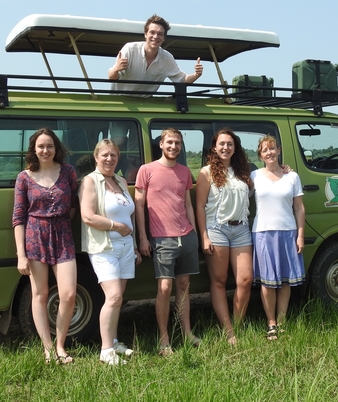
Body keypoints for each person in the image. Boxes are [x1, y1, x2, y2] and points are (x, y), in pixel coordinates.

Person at [13, 128, 78, 365]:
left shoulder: (68, 172)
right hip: (34, 236)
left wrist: (58, 223)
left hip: (63, 235)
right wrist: (21, 254)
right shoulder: (24, 177)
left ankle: (61, 345)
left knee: (69, 294)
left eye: (49, 146)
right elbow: (18, 217)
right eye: (40, 146)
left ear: (56, 148)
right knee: (39, 294)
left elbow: (72, 205)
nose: (45, 150)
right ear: (34, 149)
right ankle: (48, 349)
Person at [134, 128, 201, 355]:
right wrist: (143, 237)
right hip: (161, 238)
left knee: (184, 286)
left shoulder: (184, 172)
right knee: (164, 288)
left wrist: (195, 234)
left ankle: (187, 333)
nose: (174, 147)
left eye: (178, 143)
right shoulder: (147, 170)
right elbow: (139, 206)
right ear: (161, 144)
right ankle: (164, 340)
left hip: (186, 236)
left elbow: (188, 205)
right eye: (170, 142)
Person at [79, 139, 141, 366]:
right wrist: (117, 227)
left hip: (125, 248)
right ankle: (106, 351)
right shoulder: (90, 181)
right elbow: (88, 216)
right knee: (113, 296)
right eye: (104, 155)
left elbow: (129, 214)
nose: (109, 159)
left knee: (117, 299)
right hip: (105, 248)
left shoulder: (121, 181)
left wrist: (133, 243)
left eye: (113, 155)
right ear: (96, 157)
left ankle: (114, 341)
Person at [196, 128, 253, 345]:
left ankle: (238, 324)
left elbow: (269, 176)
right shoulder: (206, 172)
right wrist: (204, 236)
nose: (225, 147)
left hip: (241, 230)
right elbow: (199, 207)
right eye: (221, 144)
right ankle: (229, 331)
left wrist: (285, 169)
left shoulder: (244, 172)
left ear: (235, 147)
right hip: (217, 229)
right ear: (214, 147)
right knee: (219, 281)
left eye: (229, 144)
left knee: (245, 280)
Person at [251, 135, 305, 341]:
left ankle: (282, 322)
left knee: (285, 281)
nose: (269, 152)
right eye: (265, 150)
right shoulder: (254, 175)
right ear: (260, 155)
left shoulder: (292, 177)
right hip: (263, 233)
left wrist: (300, 235)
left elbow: (299, 208)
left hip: (288, 231)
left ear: (279, 150)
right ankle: (271, 323)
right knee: (267, 282)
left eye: (272, 148)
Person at [108, 14, 203, 97]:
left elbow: (182, 80)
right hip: (118, 101)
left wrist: (196, 74)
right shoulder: (129, 49)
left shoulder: (167, 58)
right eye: (152, 32)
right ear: (145, 34)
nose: (156, 36)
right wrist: (116, 69)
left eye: (160, 34)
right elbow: (111, 77)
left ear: (164, 38)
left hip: (145, 106)